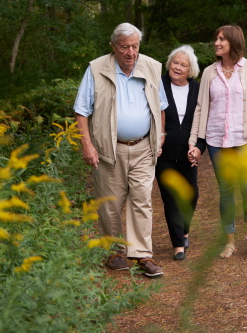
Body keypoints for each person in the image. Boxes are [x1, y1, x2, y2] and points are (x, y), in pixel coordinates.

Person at [73, 23, 168, 277]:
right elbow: (82, 111)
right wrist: (88, 145)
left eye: (135, 46)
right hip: (108, 150)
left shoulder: (151, 67)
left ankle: (142, 255)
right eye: (125, 47)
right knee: (110, 205)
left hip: (143, 148)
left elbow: (160, 106)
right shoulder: (96, 69)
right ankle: (114, 253)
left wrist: (160, 137)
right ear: (113, 46)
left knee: (142, 201)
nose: (131, 52)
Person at [188, 25, 247, 258]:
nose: (216, 43)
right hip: (217, 140)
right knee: (226, 190)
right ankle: (229, 241)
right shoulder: (209, 72)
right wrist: (194, 142)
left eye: (221, 39)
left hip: (245, 137)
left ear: (233, 42)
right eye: (216, 39)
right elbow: (200, 109)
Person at [155, 45, 200, 261]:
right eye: (175, 62)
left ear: (190, 70)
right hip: (163, 153)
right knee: (171, 198)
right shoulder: (159, 85)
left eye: (183, 65)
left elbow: (204, 122)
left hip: (189, 152)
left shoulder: (198, 89)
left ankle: (185, 230)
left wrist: (199, 147)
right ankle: (178, 245)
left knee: (191, 195)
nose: (178, 67)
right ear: (169, 63)